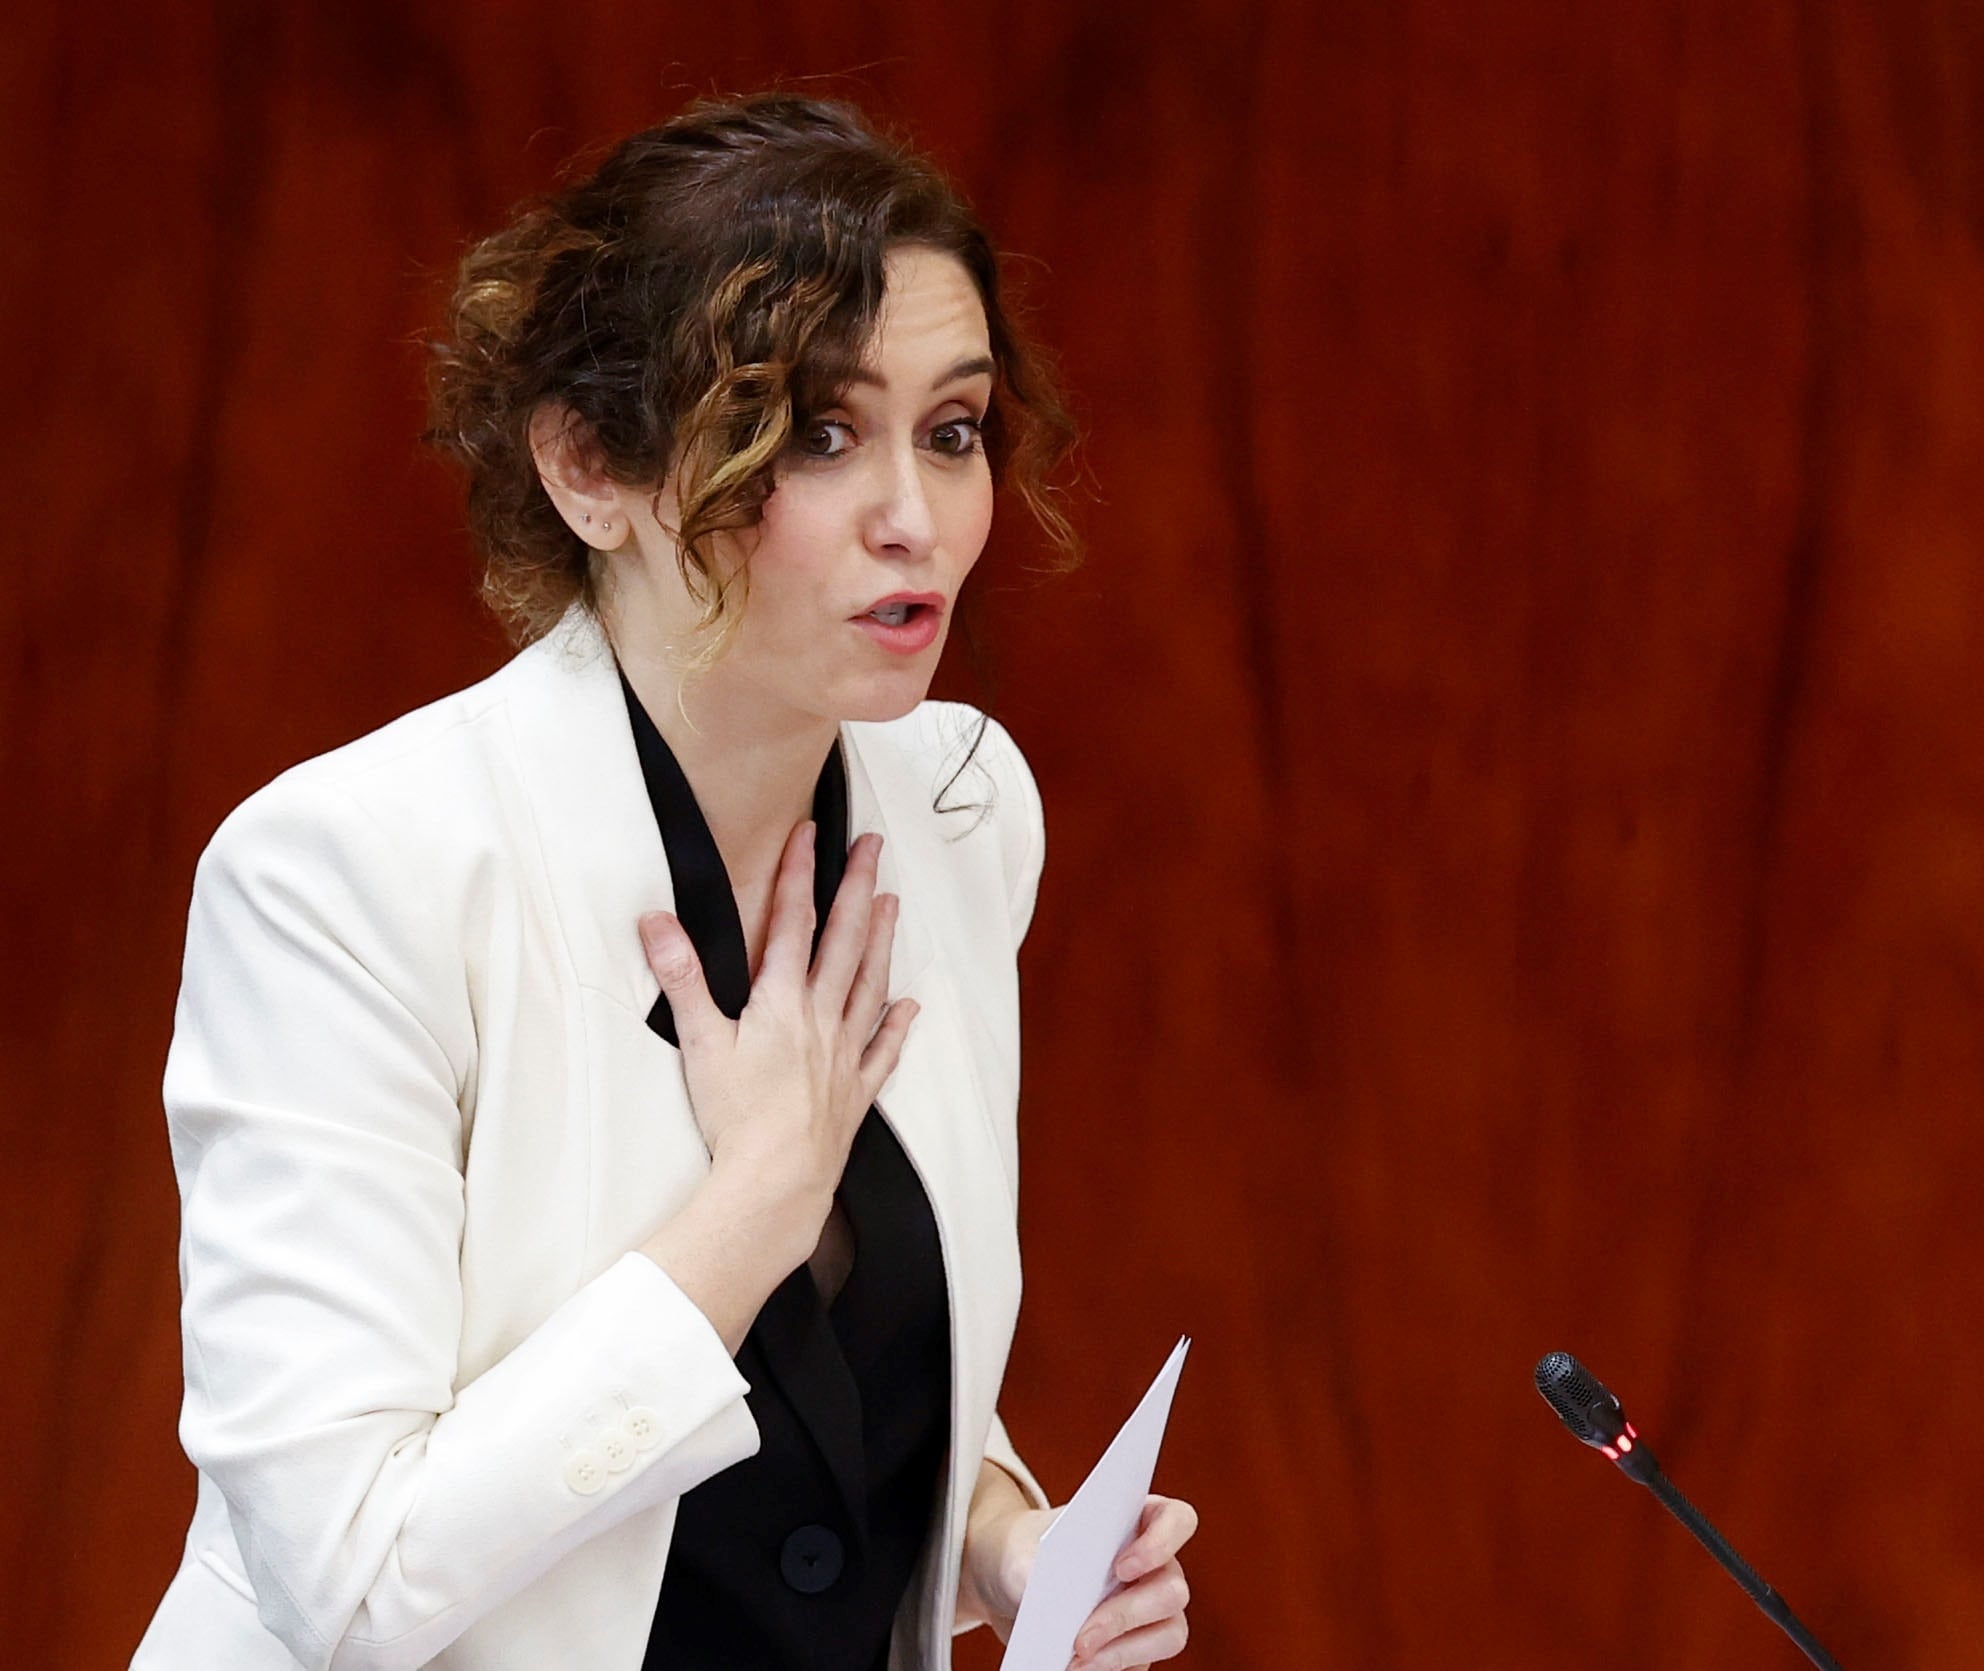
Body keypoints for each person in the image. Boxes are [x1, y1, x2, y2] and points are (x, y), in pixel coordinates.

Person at [133, 92, 1195, 1671]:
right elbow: (344, 1587)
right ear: (586, 468)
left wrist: (999, 1538)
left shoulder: (965, 809)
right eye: (821, 435)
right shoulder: (348, 874)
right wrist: (756, 1200)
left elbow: (851, 1386)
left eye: (952, 430)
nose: (917, 519)